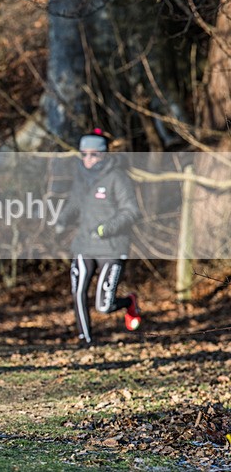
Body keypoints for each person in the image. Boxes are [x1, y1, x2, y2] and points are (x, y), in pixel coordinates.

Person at [56, 130, 142, 345]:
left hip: (111, 248)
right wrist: (62, 220)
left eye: (93, 155)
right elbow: (74, 203)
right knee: (78, 292)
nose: (88, 159)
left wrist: (106, 228)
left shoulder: (118, 178)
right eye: (84, 154)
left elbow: (131, 211)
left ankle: (129, 302)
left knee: (104, 306)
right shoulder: (81, 178)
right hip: (84, 246)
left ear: (104, 154)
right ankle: (85, 338)